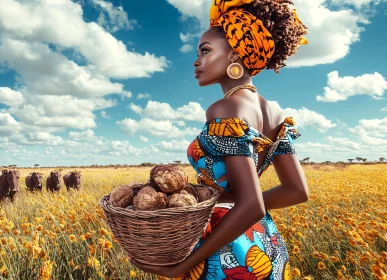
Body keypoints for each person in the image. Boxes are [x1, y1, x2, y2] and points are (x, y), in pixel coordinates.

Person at [129, 0, 310, 279]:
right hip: (265, 244)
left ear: (235, 55)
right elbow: (296, 191)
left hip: (226, 253)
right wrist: (236, 199)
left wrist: (183, 265)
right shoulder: (275, 114)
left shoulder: (224, 109)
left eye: (205, 50)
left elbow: (251, 203)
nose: (196, 60)